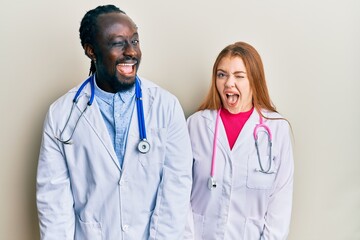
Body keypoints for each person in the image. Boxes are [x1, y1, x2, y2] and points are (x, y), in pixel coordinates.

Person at [36, 5, 193, 240]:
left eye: (135, 41)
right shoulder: (61, 114)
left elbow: (175, 193)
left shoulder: (166, 106)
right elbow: (53, 204)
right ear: (91, 51)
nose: (131, 52)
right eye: (118, 43)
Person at [185, 41, 294, 239]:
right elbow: (180, 194)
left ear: (254, 80)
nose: (228, 83)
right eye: (222, 74)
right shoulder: (196, 125)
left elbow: (280, 205)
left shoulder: (277, 129)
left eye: (239, 76)